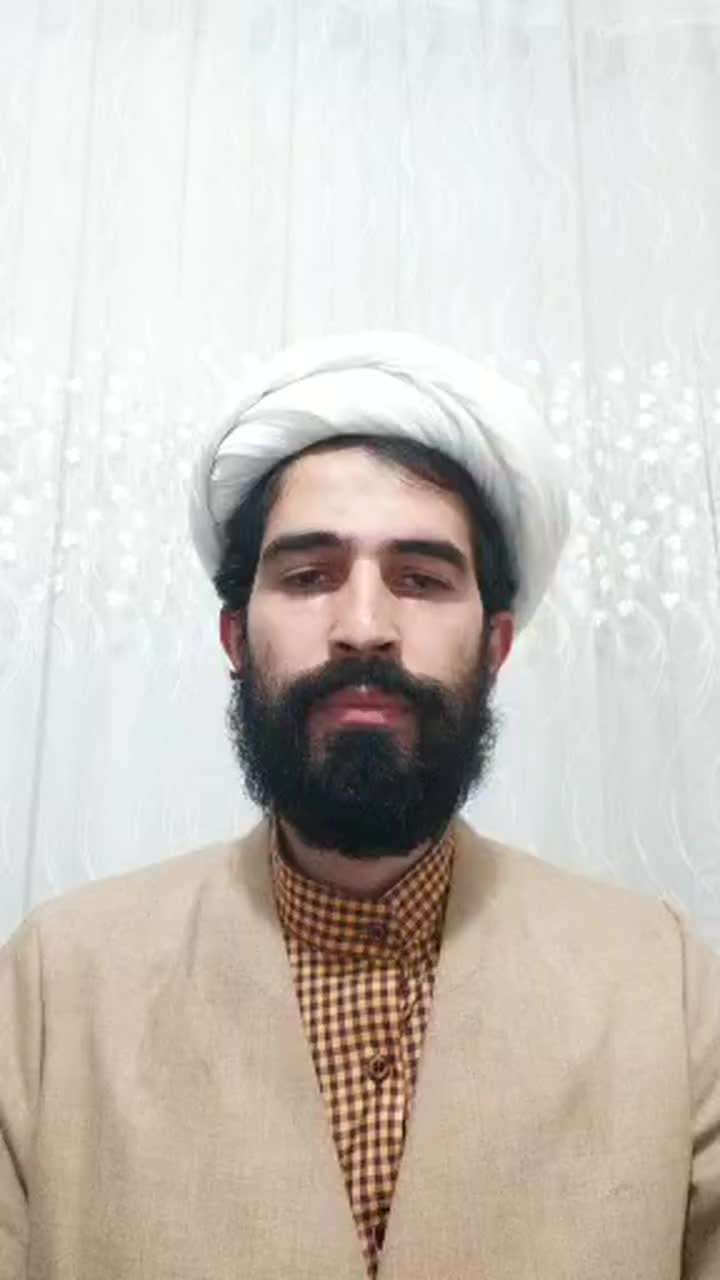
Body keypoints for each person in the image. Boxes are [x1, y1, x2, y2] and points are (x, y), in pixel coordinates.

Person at [1, 333, 718, 1280]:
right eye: (308, 577)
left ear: (495, 645)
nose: (365, 627)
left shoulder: (665, 988)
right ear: (235, 638)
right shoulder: (53, 990)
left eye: (421, 579)